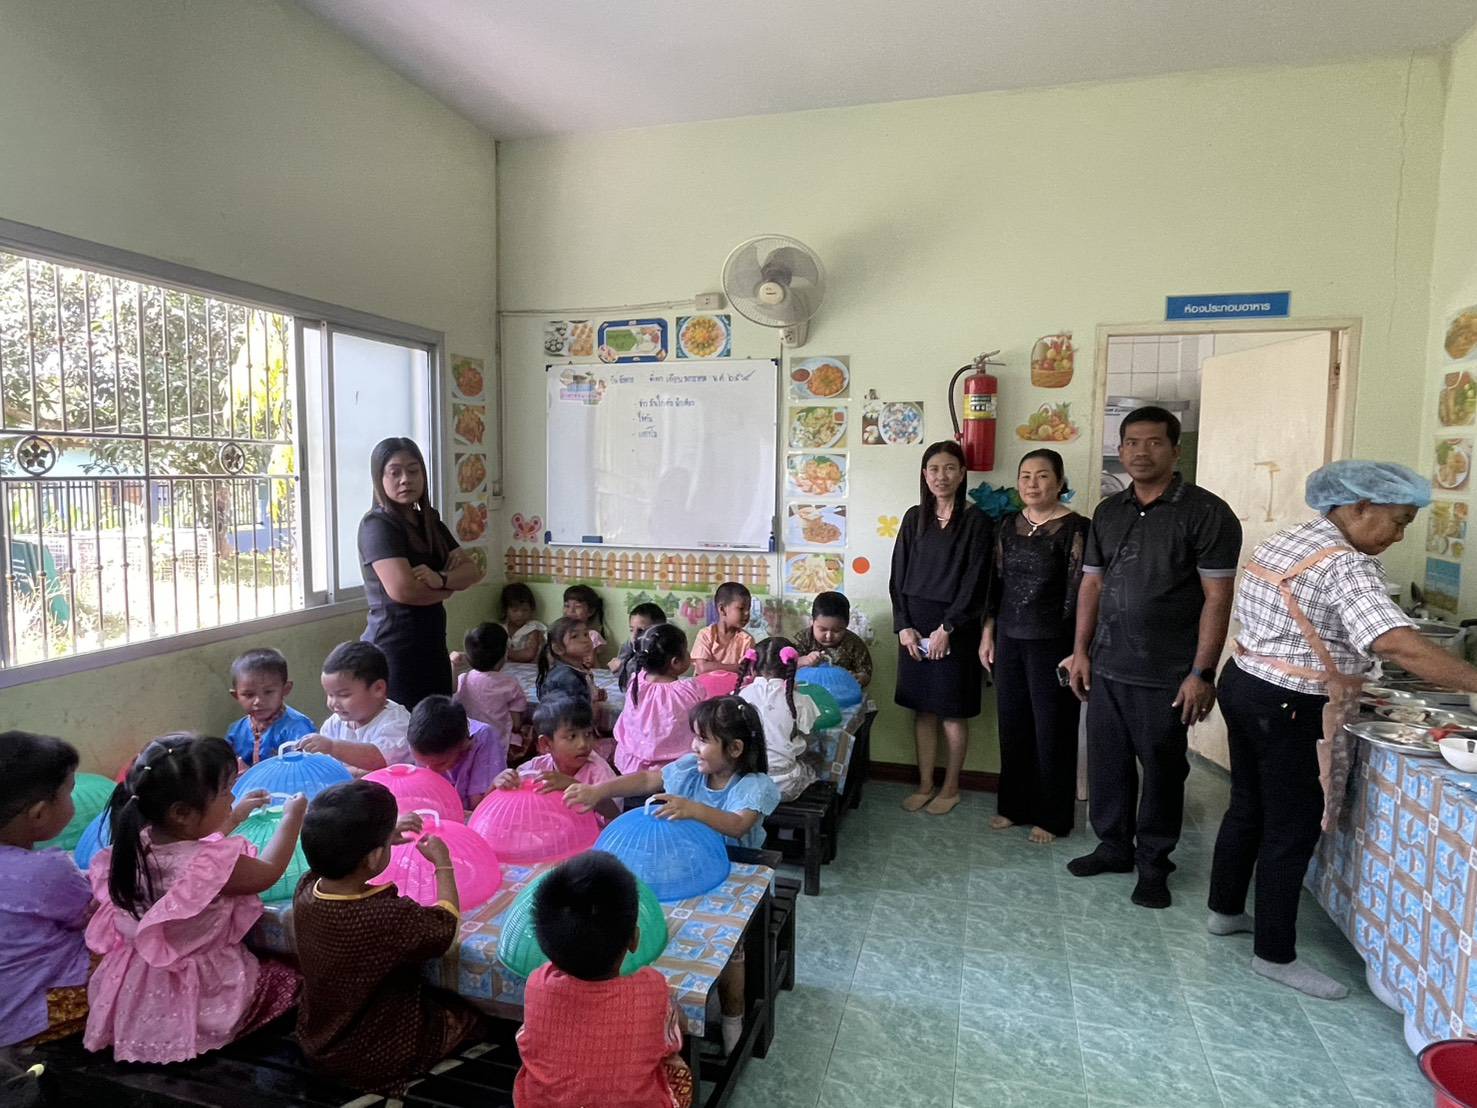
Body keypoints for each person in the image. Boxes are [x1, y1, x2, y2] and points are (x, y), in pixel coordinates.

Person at [1207, 461, 1477, 999]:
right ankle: (1274, 955)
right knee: (1291, 827)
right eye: (1399, 521)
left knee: (1248, 805)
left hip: (1245, 682)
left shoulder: (1289, 539)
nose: (1399, 535)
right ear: (1361, 506)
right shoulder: (1345, 563)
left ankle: (1225, 910)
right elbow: (1394, 643)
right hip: (1291, 703)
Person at [1062, 406, 1242, 909]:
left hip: (1167, 673)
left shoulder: (1206, 513)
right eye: (1132, 443)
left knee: (1162, 771)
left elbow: (1217, 598)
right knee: (1107, 765)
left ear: (1175, 450)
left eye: (1154, 442)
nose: (1141, 452)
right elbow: (1091, 584)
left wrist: (1201, 673)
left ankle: (1154, 864)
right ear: (1120, 450)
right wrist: (1079, 652)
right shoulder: (1109, 512)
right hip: (1106, 664)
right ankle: (1113, 847)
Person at [566, 697, 779, 1055]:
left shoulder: (753, 785)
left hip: (738, 875)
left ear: (735, 748)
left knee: (730, 944)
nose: (694, 746)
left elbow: (737, 825)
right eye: (695, 736)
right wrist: (599, 790)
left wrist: (693, 809)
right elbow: (648, 778)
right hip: (689, 870)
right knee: (666, 924)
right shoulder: (691, 770)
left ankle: (734, 1019)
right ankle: (670, 1003)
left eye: (703, 739)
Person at [83, 734, 304, 1062]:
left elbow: (192, 845)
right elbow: (269, 872)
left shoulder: (134, 846)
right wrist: (292, 819)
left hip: (137, 986)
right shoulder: (211, 866)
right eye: (225, 791)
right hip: (200, 989)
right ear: (182, 813)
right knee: (289, 982)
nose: (232, 797)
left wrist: (235, 816)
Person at [293, 781, 484, 1093]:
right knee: (471, 1018)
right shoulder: (387, 915)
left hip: (318, 1037)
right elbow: (444, 927)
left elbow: (339, 851)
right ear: (373, 857)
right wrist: (443, 864)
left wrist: (380, 839)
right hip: (376, 1054)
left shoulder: (306, 889)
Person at [514, 852, 693, 1107]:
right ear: (634, 940)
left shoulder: (537, 984)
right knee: (675, 1064)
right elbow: (672, 1040)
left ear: (545, 948)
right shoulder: (651, 987)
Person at [979, 449, 1089, 843]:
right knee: (1013, 726)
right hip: (1009, 639)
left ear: (1059, 482)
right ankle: (1014, 806)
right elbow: (995, 584)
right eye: (1025, 476)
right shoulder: (1007, 526)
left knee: (1053, 730)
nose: (1032, 483)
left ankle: (1054, 817)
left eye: (1042, 476)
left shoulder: (1077, 528)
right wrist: (988, 633)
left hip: (1054, 643)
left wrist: (1079, 648)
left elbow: (1082, 591)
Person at [889, 441, 995, 815]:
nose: (941, 476)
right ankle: (924, 784)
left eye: (950, 468)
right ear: (924, 474)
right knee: (922, 710)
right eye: (934, 469)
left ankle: (950, 788)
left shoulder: (977, 522)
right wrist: (903, 626)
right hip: (914, 626)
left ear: (962, 473)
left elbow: (976, 581)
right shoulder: (913, 518)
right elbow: (897, 576)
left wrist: (947, 627)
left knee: (952, 711)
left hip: (956, 627)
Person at [358, 437, 484, 709]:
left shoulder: (429, 520)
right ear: (379, 478)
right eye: (395, 472)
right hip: (394, 649)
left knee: (438, 723)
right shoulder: (377, 525)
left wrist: (440, 579)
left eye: (413, 471)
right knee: (401, 728)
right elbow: (404, 591)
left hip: (432, 644)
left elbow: (472, 571)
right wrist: (448, 590)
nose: (406, 479)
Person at [0, 731, 91, 1048]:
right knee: (129, 948)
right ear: (39, 814)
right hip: (33, 1015)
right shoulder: (46, 871)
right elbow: (89, 913)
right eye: (69, 792)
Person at [493, 698, 619, 823]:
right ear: (546, 743)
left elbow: (615, 816)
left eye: (588, 734)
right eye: (572, 736)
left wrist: (573, 785)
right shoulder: (536, 767)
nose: (583, 744)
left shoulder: (599, 773)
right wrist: (499, 783)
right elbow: (497, 805)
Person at [301, 641, 412, 770]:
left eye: (344, 695)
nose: (333, 703)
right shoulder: (335, 723)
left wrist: (332, 747)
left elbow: (378, 759)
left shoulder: (397, 722)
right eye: (330, 694)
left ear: (378, 688)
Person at [613, 624, 706, 775]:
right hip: (676, 769)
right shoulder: (689, 690)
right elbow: (705, 720)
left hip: (632, 765)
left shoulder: (637, 681)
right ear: (675, 662)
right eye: (686, 650)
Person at [737, 638, 820, 801]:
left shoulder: (740, 696)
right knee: (811, 765)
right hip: (784, 786)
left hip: (745, 783)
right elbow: (808, 736)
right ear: (793, 668)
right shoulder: (800, 700)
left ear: (752, 667)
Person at [407, 695, 506, 812]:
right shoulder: (419, 739)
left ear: (463, 745)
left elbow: (478, 806)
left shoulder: (483, 739)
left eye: (441, 764)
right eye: (422, 762)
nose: (430, 771)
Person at [224, 647, 317, 766]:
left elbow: (306, 768)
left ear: (285, 689)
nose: (258, 701)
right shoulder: (236, 731)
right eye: (249, 695)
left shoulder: (297, 727)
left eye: (268, 692)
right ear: (236, 695)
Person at [451, 622, 528, 738]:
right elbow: (516, 725)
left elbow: (451, 693)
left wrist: (454, 664)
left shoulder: (462, 680)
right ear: (504, 654)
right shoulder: (510, 684)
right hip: (498, 743)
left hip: (469, 740)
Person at [794, 591, 873, 687]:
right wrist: (804, 660)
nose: (829, 636)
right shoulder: (803, 638)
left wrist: (859, 678)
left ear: (846, 624)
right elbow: (785, 665)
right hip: (807, 689)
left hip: (842, 690)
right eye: (822, 629)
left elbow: (866, 671)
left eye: (836, 630)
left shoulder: (854, 644)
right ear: (812, 621)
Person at [691, 582, 755, 677]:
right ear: (722, 609)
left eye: (748, 609)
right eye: (741, 608)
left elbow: (748, 670)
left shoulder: (747, 640)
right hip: (704, 686)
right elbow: (702, 668)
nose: (747, 613)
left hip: (734, 686)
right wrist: (737, 667)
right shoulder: (705, 634)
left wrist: (712, 666)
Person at [535, 616, 604, 705]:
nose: (585, 640)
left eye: (586, 634)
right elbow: (574, 709)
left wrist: (595, 693)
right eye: (574, 636)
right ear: (558, 648)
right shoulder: (565, 677)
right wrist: (593, 706)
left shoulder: (580, 668)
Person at [611, 602, 668, 692]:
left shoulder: (663, 651)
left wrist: (621, 668)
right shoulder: (629, 645)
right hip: (629, 694)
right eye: (631, 630)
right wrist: (617, 668)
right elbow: (622, 677)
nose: (634, 636)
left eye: (641, 630)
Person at [501, 582, 546, 664]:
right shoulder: (501, 629)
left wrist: (504, 653)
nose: (520, 614)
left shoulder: (533, 628)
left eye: (525, 610)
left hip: (529, 666)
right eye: (515, 610)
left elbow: (529, 654)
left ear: (531, 609)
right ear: (505, 610)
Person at [563, 584, 611, 657]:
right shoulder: (559, 632)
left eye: (577, 606)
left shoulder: (592, 636)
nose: (571, 611)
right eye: (567, 606)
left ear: (590, 611)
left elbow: (593, 660)